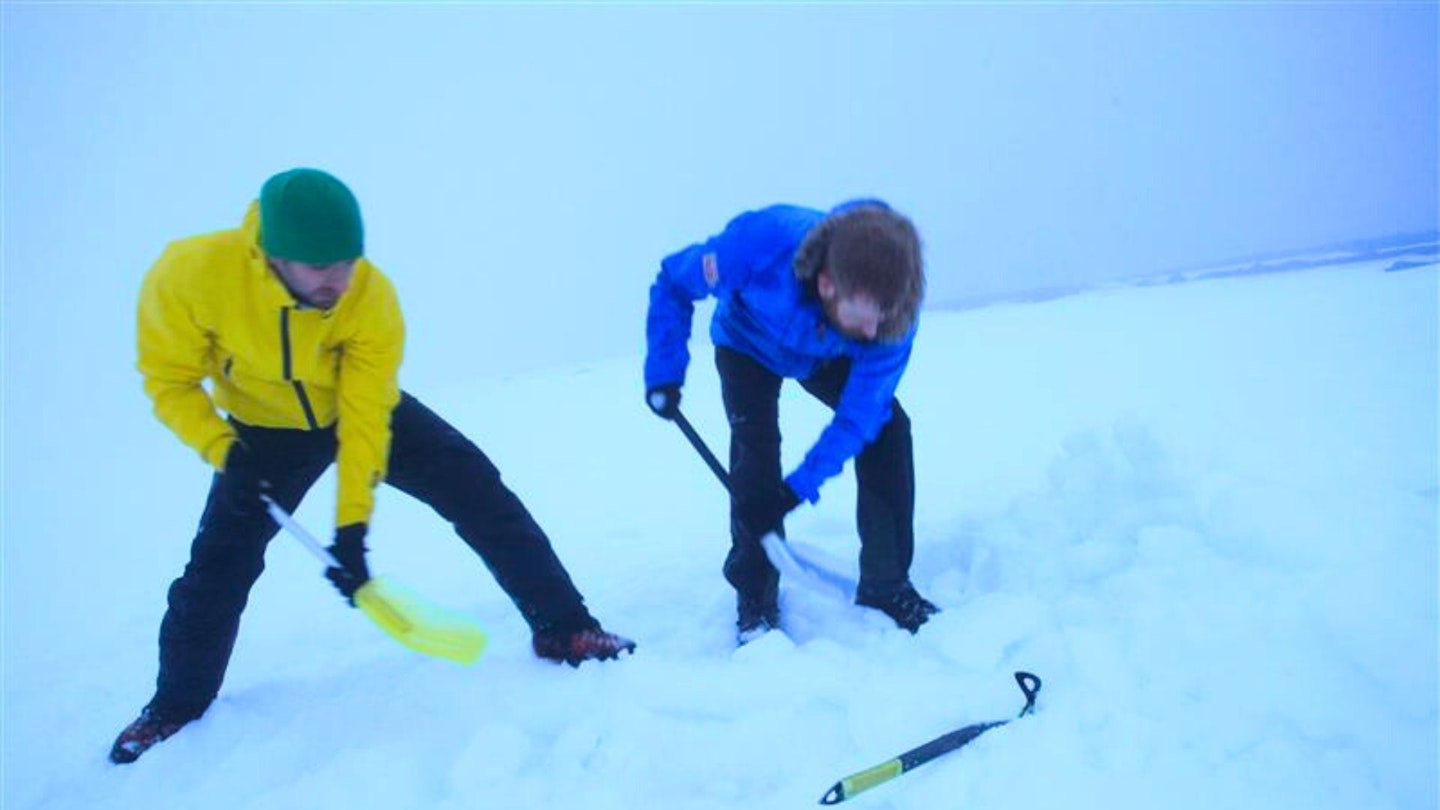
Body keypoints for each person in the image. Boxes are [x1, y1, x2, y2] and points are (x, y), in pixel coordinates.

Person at [110, 168, 634, 764]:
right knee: (218, 567)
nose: (340, 279)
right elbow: (169, 379)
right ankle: (175, 705)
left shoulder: (368, 295)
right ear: (273, 255)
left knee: (476, 488)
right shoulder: (192, 275)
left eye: (349, 262)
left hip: (353, 409)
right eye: (321, 268)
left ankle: (564, 626)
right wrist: (224, 450)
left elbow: (365, 417)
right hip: (259, 433)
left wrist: (352, 528)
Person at [644, 200, 937, 644]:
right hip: (747, 343)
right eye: (862, 317)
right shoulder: (762, 243)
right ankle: (755, 597)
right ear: (826, 285)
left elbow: (859, 419)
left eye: (882, 318)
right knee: (754, 455)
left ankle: (887, 583)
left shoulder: (887, 323)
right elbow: (673, 282)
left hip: (828, 354)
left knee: (888, 430)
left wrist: (795, 490)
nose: (874, 332)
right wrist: (665, 370)